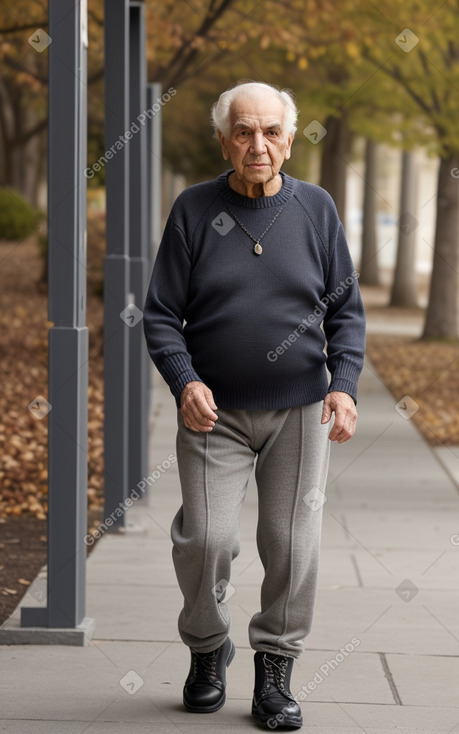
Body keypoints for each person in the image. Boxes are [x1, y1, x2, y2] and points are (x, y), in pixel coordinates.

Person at [143, 80, 366, 729]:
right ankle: (208, 646)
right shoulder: (193, 210)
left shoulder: (316, 210)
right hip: (213, 414)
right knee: (205, 540)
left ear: (290, 140)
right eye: (243, 131)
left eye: (270, 131)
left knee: (292, 546)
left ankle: (275, 669)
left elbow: (345, 312)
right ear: (223, 140)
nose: (257, 144)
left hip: (299, 412)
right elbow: (159, 316)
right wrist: (185, 381)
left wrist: (343, 385)